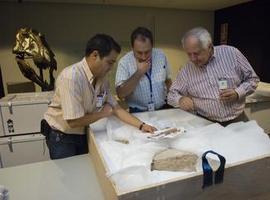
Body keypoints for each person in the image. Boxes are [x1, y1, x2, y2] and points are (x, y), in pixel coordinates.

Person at [43, 34, 156, 159]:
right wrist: (102, 114)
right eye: (109, 62)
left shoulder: (102, 79)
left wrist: (142, 125)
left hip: (82, 132)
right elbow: (73, 121)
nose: (111, 68)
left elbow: (116, 108)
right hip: (62, 136)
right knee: (71, 173)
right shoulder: (72, 77)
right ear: (95, 55)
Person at [168, 27, 259, 126]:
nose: (193, 59)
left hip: (237, 120)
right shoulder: (187, 70)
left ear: (209, 47)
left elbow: (253, 79)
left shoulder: (232, 54)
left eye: (197, 53)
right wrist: (180, 99)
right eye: (189, 54)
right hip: (205, 123)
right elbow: (171, 95)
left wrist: (238, 93)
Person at [115, 27, 172, 113]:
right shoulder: (124, 62)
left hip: (162, 109)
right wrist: (139, 73)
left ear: (152, 46)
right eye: (139, 52)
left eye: (147, 52)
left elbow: (168, 81)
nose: (144, 56)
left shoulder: (161, 55)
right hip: (137, 112)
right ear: (132, 47)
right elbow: (121, 94)